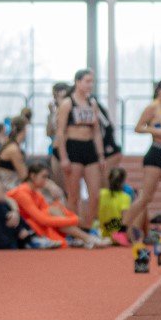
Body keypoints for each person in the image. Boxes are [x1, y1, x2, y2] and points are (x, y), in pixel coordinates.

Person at [123, 79, 161, 241]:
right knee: (146, 197)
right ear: (160, 91)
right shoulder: (152, 107)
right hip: (155, 153)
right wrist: (156, 131)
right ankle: (122, 227)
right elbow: (137, 127)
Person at [8, 159, 106, 249]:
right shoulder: (22, 193)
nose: (46, 181)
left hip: (38, 223)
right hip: (24, 226)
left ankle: (84, 236)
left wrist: (57, 194)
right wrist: (75, 220)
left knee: (55, 209)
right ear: (32, 176)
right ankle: (86, 236)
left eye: (47, 177)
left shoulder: (36, 193)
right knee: (53, 212)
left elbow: (54, 210)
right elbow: (43, 219)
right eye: (44, 177)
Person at [55, 68, 106, 230]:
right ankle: (73, 228)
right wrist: (63, 157)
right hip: (73, 148)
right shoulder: (67, 103)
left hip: (90, 149)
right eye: (87, 81)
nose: (90, 85)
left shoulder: (92, 103)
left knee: (95, 195)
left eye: (92, 81)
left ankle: (87, 226)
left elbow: (97, 132)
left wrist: (101, 155)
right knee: (74, 195)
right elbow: (60, 132)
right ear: (77, 82)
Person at [96, 167, 135, 244]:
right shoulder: (126, 197)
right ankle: (125, 236)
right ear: (123, 182)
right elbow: (126, 219)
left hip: (104, 234)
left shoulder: (101, 193)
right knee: (142, 209)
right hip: (118, 234)